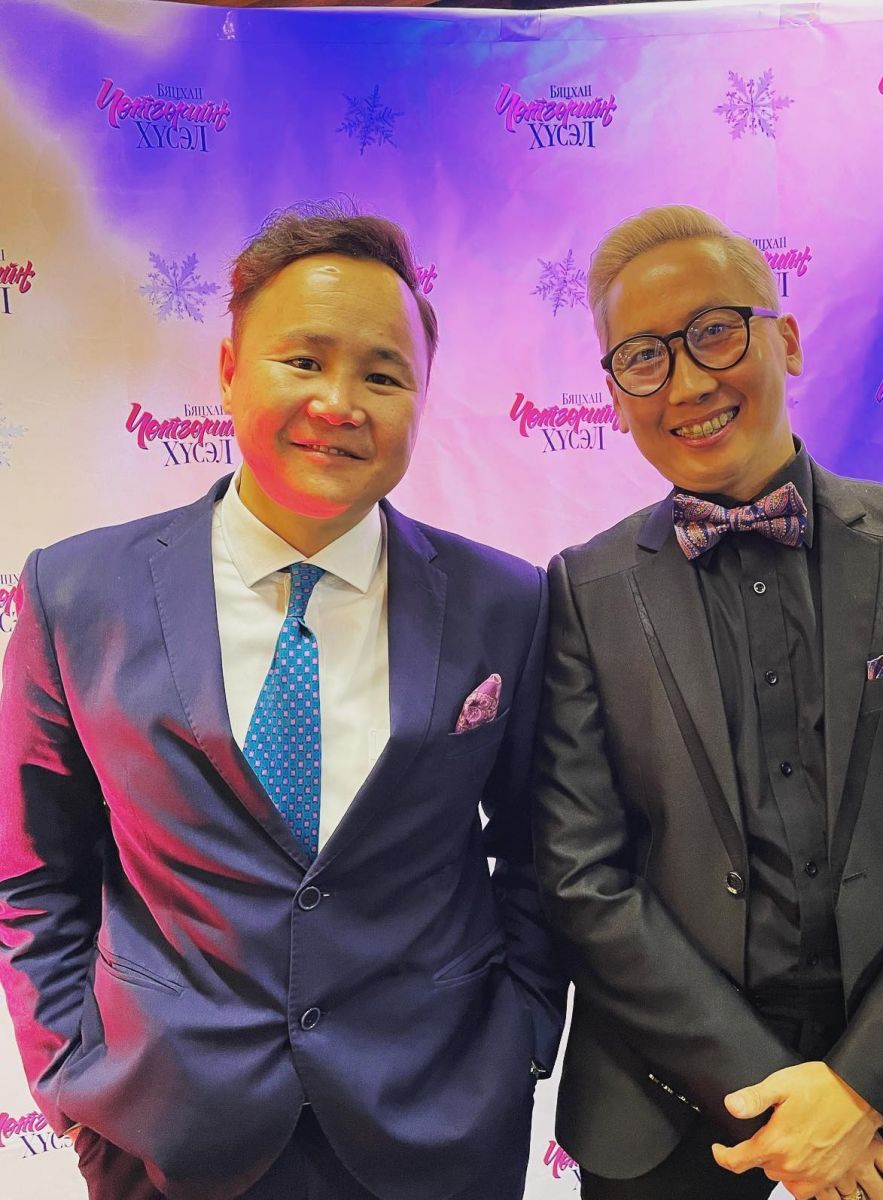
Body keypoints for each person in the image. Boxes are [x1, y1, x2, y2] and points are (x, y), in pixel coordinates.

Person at [0, 203, 566, 1200]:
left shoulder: (506, 602)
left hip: (436, 1123)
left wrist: (519, 1038)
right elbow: (35, 869)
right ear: (228, 371)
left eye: (382, 376)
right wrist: (68, 1072)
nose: (339, 403)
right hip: (164, 1132)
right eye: (303, 361)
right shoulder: (76, 593)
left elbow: (539, 852)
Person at [532, 204, 883, 1200]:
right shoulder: (582, 591)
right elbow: (579, 874)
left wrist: (859, 1088)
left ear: (788, 339)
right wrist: (774, 1105)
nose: (687, 381)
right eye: (643, 357)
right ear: (613, 395)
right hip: (661, 1094)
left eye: (715, 332)